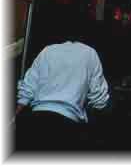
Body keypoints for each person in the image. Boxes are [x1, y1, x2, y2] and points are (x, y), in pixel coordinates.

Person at [15, 21, 110, 151]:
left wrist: (13, 123)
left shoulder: (47, 51)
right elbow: (100, 100)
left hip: (36, 121)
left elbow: (27, 90)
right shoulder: (90, 54)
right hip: (68, 127)